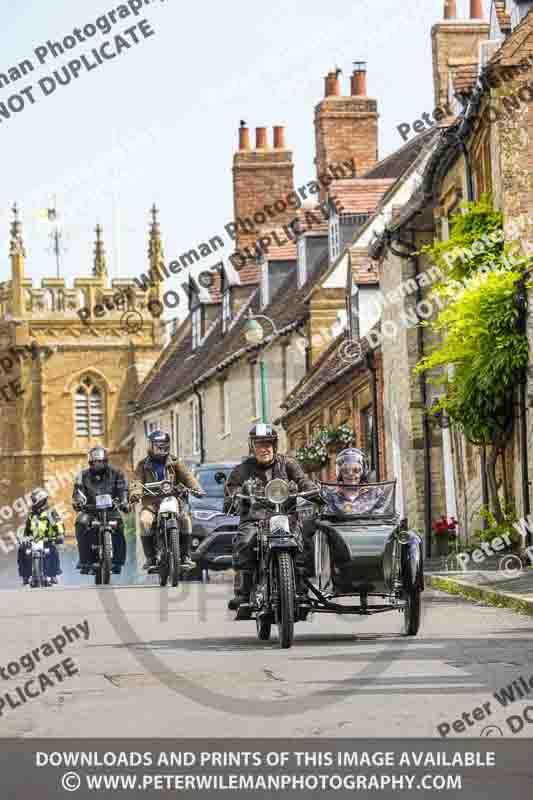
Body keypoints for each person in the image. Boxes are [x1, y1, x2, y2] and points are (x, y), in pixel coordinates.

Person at [224, 423, 319, 610]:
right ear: (252, 447)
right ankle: (243, 591)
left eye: (268, 444)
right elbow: (229, 497)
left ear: (274, 445)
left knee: (305, 540)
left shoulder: (288, 464)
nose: (264, 448)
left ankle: (300, 589)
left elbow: (304, 481)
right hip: (256, 519)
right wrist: (239, 495)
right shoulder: (241, 470)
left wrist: (313, 492)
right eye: (259, 444)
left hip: (286, 516)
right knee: (245, 541)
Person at [130, 431, 205, 571]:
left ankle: (185, 556)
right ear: (150, 447)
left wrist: (197, 489)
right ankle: (150, 558)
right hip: (152, 503)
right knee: (144, 521)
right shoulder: (143, 465)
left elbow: (188, 478)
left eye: (164, 446)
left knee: (186, 520)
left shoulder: (175, 462)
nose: (161, 449)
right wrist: (135, 493)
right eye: (158, 446)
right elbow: (136, 481)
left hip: (173, 500)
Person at [73, 447, 128, 575]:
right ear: (90, 462)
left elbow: (122, 489)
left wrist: (124, 501)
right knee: (81, 522)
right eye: (95, 462)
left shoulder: (117, 473)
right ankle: (85, 560)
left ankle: (118, 561)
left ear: (106, 461)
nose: (98, 464)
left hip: (111, 510)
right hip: (91, 510)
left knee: (119, 527)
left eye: (101, 461)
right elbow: (78, 491)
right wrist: (78, 501)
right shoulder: (82, 475)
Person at [18, 488, 64, 586]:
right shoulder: (31, 515)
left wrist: (59, 535)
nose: (33, 502)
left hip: (47, 540)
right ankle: (25, 576)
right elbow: (27, 530)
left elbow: (59, 525)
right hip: (34, 541)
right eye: (33, 500)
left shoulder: (51, 513)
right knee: (22, 549)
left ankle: (53, 575)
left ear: (41, 499)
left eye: (34, 500)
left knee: (53, 550)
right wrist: (25, 538)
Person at [321, 448, 386, 515]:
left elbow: (381, 518)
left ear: (363, 472)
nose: (351, 474)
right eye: (345, 470)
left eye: (356, 470)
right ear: (340, 473)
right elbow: (325, 517)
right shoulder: (330, 494)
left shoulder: (375, 493)